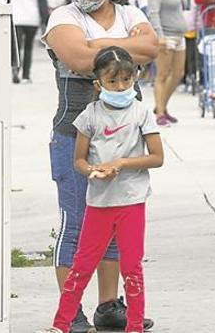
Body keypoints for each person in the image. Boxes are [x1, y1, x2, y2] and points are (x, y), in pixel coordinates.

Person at [41, 0, 157, 332]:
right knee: (76, 224)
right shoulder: (63, 15)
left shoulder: (130, 13)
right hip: (76, 137)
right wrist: (124, 52)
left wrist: (100, 48)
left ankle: (109, 307)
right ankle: (70, 310)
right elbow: (77, 57)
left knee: (112, 226)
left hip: (126, 144)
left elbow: (151, 47)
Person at [37, 46, 164, 333]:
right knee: (81, 267)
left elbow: (157, 157)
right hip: (98, 203)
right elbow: (79, 160)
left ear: (135, 78)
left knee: (132, 268)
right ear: (98, 83)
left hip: (132, 202)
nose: (120, 87)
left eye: (126, 80)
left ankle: (134, 326)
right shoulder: (88, 116)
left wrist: (122, 163)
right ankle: (61, 324)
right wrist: (94, 171)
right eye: (112, 81)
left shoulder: (142, 113)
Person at [147, 0, 188, 127]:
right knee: (162, 74)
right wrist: (159, 36)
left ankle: (161, 105)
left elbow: (186, 4)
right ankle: (160, 112)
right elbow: (153, 11)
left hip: (179, 35)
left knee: (178, 73)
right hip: (166, 35)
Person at [8, 0, 45, 84]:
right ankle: (26, 76)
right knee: (28, 47)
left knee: (16, 47)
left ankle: (14, 69)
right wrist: (44, 20)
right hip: (32, 18)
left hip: (16, 18)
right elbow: (42, 4)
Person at [178, 0, 198, 86]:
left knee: (191, 55)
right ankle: (182, 79)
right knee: (180, 57)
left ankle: (192, 76)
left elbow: (196, 11)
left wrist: (198, 26)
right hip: (178, 30)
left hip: (191, 29)